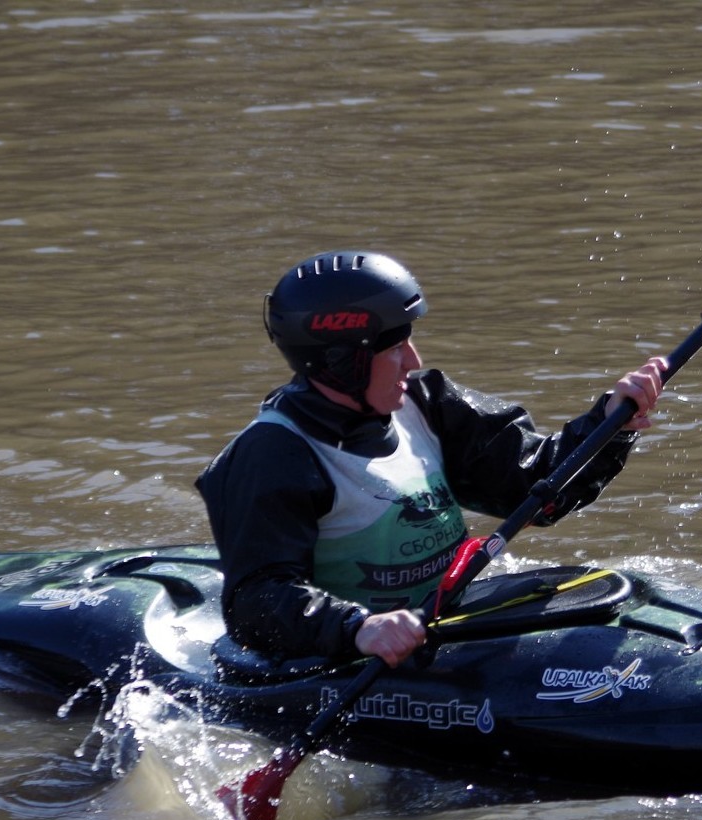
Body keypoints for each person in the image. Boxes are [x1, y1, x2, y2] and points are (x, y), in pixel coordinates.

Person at [198, 250, 666, 670]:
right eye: (395, 346)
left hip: (443, 623)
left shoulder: (428, 404)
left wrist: (608, 424)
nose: (412, 360)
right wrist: (358, 629)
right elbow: (256, 603)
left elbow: (535, 489)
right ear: (343, 360)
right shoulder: (273, 454)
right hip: (348, 660)